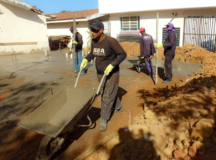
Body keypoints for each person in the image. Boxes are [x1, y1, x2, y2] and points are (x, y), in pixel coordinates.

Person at [80, 20, 127, 131]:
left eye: (95, 30)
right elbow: (93, 52)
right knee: (106, 91)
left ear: (101, 30)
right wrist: (87, 59)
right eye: (92, 30)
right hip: (100, 72)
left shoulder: (111, 41)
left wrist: (113, 65)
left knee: (106, 94)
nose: (92, 32)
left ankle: (104, 119)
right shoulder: (94, 41)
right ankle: (118, 106)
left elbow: (122, 54)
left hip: (112, 72)